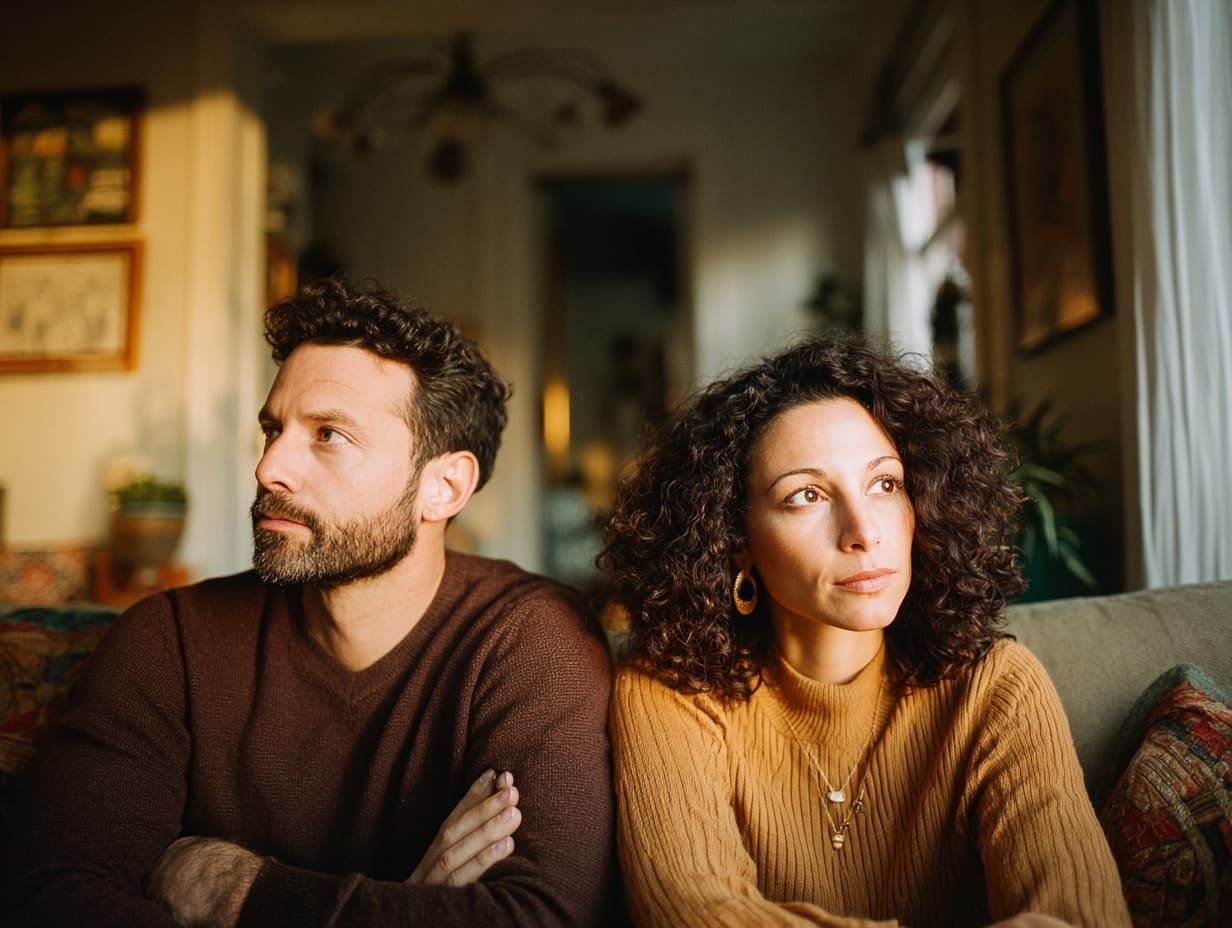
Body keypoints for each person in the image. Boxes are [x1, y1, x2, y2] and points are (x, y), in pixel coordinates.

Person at [0, 277, 619, 926]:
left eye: (329, 435)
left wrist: (236, 891)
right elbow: (51, 897)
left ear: (444, 486)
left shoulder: (531, 640)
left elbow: (542, 918)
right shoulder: (169, 640)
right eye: (274, 429)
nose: (270, 468)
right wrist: (407, 905)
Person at [599, 334, 1130, 927]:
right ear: (734, 542)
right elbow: (694, 916)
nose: (864, 531)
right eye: (805, 495)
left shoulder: (997, 687)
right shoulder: (669, 691)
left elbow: (1083, 918)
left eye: (885, 484)